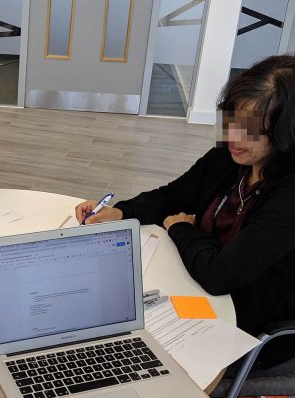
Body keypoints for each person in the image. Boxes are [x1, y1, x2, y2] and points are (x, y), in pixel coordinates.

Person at [75, 54, 295, 369]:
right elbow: (172, 196)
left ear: (287, 132)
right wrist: (120, 213)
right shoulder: (230, 157)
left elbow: (221, 275)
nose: (233, 136)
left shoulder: (288, 194)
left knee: (127, 351)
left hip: (252, 324)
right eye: (231, 120)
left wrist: (180, 228)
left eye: (252, 130)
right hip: (198, 289)